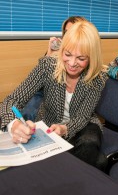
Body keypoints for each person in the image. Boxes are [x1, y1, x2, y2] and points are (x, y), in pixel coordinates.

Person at [0, 21, 108, 171]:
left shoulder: (98, 77)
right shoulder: (46, 67)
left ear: (92, 58)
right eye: (67, 54)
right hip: (49, 124)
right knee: (95, 160)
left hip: (83, 125)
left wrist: (65, 129)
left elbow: (83, 117)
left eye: (81, 59)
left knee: (89, 144)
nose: (71, 63)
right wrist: (13, 124)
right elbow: (12, 100)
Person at [22, 16, 88, 121]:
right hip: (43, 91)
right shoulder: (58, 50)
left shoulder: (85, 55)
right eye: (66, 33)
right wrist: (49, 55)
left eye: (73, 32)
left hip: (62, 95)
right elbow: (37, 80)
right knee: (25, 109)